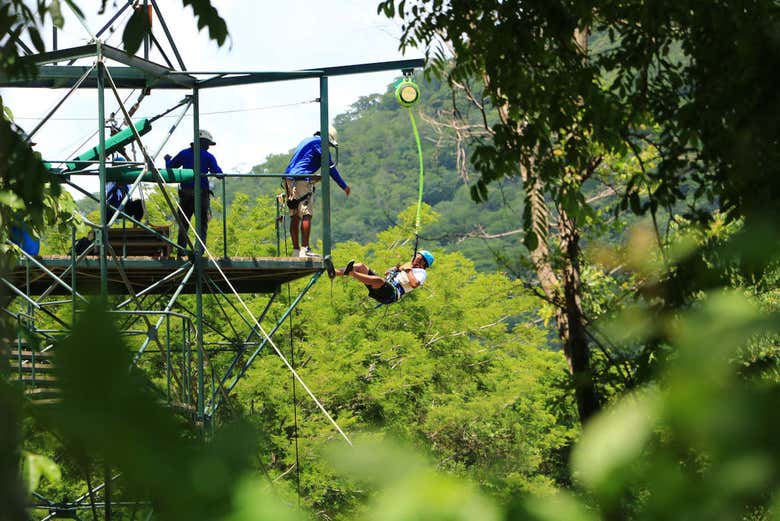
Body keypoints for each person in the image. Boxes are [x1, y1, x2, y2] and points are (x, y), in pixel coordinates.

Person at [284, 126, 350, 257]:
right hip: (302, 179)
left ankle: (296, 250)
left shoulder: (307, 141)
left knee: (295, 214)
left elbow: (301, 163)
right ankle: (305, 249)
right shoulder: (320, 143)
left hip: (288, 179)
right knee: (306, 214)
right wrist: (344, 186)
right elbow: (330, 167)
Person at [164, 129, 223, 256]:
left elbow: (170, 167)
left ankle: (181, 250)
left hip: (185, 194)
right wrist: (220, 172)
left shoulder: (184, 154)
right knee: (201, 224)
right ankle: (199, 251)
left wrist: (167, 159)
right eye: (208, 144)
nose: (208, 147)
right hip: (201, 194)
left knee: (184, 223)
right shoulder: (208, 156)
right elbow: (218, 173)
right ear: (204, 142)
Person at [332, 250, 434, 305]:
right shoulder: (409, 266)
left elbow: (414, 284)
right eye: (415, 257)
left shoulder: (421, 273)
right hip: (386, 285)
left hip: (391, 294)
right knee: (361, 266)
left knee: (379, 280)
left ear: (423, 263)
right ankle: (335, 272)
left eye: (418, 258)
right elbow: (387, 273)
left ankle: (352, 273)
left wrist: (408, 270)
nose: (414, 259)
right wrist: (396, 268)